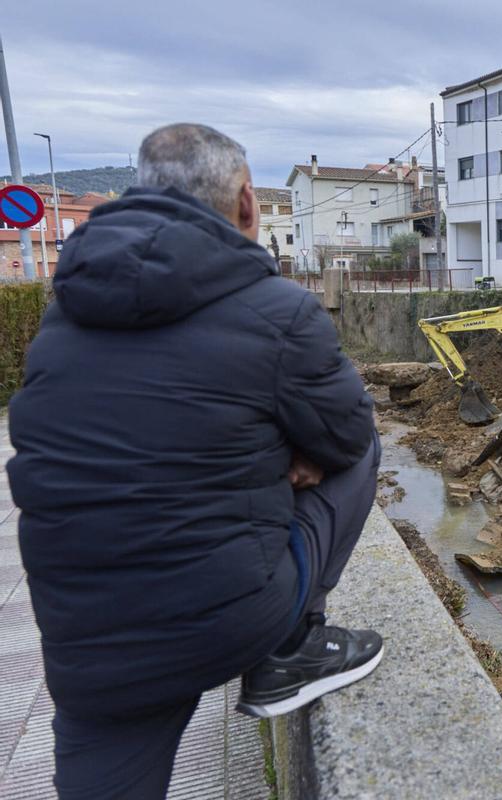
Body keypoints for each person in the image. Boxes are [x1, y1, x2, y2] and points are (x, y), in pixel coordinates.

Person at [6, 123, 382, 800]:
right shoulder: (278, 311)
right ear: (246, 204)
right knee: (362, 442)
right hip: (230, 617)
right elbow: (345, 437)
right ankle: (292, 649)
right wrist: (290, 454)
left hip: (84, 638)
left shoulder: (63, 318)